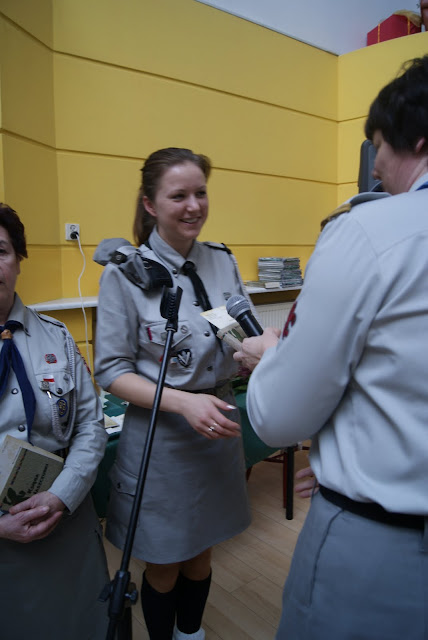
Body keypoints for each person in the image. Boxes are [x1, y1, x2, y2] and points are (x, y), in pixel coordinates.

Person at [234, 55, 428, 640]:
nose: (377, 170)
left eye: (378, 150)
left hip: (381, 557)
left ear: (415, 140)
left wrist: (271, 358)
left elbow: (278, 416)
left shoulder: (368, 231)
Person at [94, 147, 251, 640]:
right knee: (164, 562)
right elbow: (111, 370)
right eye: (178, 195)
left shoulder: (221, 260)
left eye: (200, 193)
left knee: (202, 554)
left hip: (217, 428)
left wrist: (255, 352)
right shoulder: (124, 274)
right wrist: (184, 402)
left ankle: (191, 633)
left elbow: (234, 330)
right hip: (162, 439)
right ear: (150, 204)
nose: (194, 206)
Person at [0, 204, 109, 639]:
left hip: (65, 519)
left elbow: (90, 425)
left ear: (18, 260)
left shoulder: (57, 337)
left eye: (1, 251)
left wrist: (63, 496)